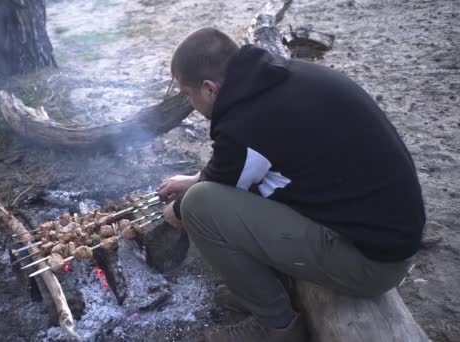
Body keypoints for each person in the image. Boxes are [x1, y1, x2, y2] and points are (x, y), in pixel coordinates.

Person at [158, 27, 425, 342]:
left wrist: (176, 211)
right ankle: (271, 290)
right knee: (213, 194)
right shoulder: (272, 78)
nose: (189, 103)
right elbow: (233, 168)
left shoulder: (244, 123)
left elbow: (221, 186)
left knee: (199, 208)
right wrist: (192, 179)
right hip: (390, 231)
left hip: (373, 262)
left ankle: (279, 326)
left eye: (188, 95)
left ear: (209, 88)